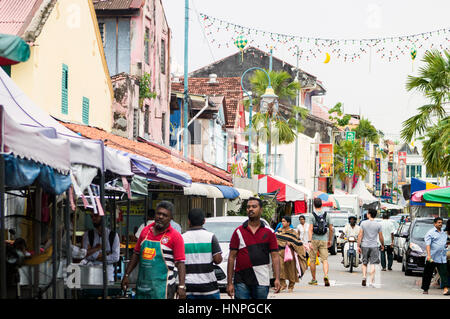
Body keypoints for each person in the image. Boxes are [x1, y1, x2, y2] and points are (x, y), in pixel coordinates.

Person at [121, 201, 186, 299]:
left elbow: (180, 263)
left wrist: (181, 286)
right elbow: (136, 254)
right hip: (143, 286)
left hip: (164, 287)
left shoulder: (175, 236)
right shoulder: (145, 231)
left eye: (164, 215)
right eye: (158, 213)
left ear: (170, 218)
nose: (160, 217)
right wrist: (126, 275)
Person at [227, 197, 281, 299]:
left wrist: (277, 278)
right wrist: (229, 283)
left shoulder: (269, 232)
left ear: (261, 210)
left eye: (254, 207)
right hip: (241, 279)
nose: (250, 209)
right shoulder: (238, 231)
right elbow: (231, 257)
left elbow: (275, 256)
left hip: (262, 279)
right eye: (248, 207)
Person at [183, 208, 222, 299]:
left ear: (188, 221)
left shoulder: (182, 238)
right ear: (204, 221)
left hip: (189, 286)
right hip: (209, 287)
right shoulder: (211, 237)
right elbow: (217, 260)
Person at [81, 210, 120, 282]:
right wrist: (104, 254)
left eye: (96, 216)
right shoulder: (88, 235)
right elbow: (85, 254)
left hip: (108, 276)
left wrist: (94, 253)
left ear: (102, 216)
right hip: (91, 274)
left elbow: (116, 257)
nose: (93, 219)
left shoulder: (113, 235)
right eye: (92, 216)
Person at [276, 216, 307, 292]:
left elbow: (298, 243)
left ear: (288, 223)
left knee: (291, 270)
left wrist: (291, 244)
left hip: (290, 253)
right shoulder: (279, 231)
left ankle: (291, 286)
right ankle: (283, 284)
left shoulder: (293, 232)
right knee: (280, 269)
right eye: (282, 221)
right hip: (280, 252)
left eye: (284, 221)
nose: (282, 223)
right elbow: (275, 239)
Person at [308, 198, 334, 286]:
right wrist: (330, 240)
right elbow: (331, 229)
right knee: (325, 259)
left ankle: (314, 279)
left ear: (314, 205)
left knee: (312, 260)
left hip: (314, 239)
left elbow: (310, 229)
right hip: (324, 239)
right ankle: (326, 275)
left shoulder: (312, 215)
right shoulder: (327, 215)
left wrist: (309, 241)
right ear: (321, 204)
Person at [421, 217, 449, 295]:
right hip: (432, 257)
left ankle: (446, 289)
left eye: (441, 222)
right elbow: (428, 245)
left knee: (444, 273)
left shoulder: (444, 232)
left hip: (442, 257)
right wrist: (429, 255)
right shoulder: (430, 233)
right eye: (439, 222)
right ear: (434, 224)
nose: (440, 224)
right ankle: (425, 289)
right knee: (428, 274)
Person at [357, 209, 384, 287]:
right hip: (374, 246)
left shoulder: (363, 223)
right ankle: (371, 281)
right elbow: (381, 236)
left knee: (364, 263)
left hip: (364, 245)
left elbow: (360, 235)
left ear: (369, 214)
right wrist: (382, 244)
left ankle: (364, 277)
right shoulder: (378, 225)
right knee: (373, 264)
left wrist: (358, 245)